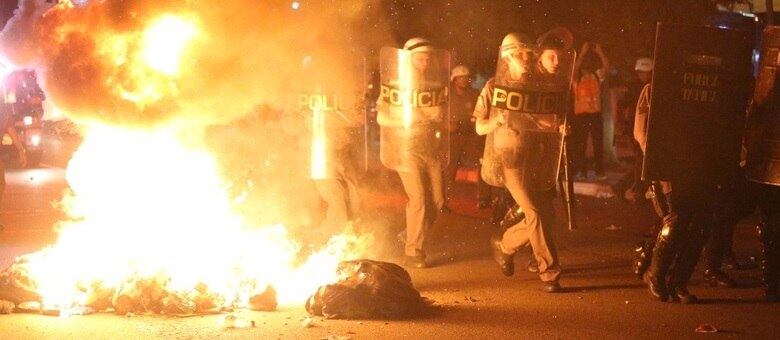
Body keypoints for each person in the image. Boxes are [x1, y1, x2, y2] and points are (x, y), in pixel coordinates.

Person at [476, 32, 569, 292]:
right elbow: (479, 127)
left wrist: (558, 126)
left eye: (529, 55)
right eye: (520, 55)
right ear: (507, 58)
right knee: (535, 213)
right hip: (509, 161)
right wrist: (496, 121)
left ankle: (505, 245)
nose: (526, 60)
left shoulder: (534, 87)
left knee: (544, 216)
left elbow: (537, 121)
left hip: (535, 159)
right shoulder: (494, 87)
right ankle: (549, 272)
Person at [377, 37, 447, 268]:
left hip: (430, 149)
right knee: (418, 198)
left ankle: (410, 234)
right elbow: (381, 117)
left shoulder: (433, 86)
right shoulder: (394, 86)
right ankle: (413, 251)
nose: (424, 64)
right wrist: (407, 122)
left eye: (427, 60)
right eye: (419, 59)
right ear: (408, 60)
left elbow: (439, 116)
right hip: (406, 149)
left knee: (437, 201)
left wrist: (434, 116)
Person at [442, 65, 481, 211]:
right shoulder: (447, 95)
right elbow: (439, 114)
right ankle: (443, 202)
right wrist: (446, 125)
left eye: (466, 77)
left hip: (469, 134)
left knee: (482, 161)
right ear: (454, 79)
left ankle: (484, 199)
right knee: (449, 170)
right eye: (461, 77)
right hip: (452, 136)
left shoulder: (474, 94)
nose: (464, 80)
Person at [615, 57, 653, 202]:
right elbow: (622, 105)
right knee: (641, 160)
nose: (644, 75)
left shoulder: (650, 86)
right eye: (642, 72)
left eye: (646, 72)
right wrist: (621, 125)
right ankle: (633, 190)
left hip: (645, 128)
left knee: (642, 160)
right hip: (636, 129)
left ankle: (633, 189)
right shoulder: (635, 87)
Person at [571, 42, 609, 181]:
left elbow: (606, 67)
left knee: (598, 143)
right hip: (581, 115)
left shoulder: (597, 76)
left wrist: (600, 52)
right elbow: (573, 69)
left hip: (595, 115)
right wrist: (581, 53)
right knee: (580, 145)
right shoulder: (576, 78)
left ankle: (599, 171)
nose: (586, 69)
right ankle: (581, 171)